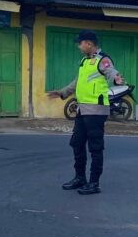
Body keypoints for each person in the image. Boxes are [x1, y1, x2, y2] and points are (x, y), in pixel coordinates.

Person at [47, 30, 125, 195]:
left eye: (80, 43)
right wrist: (62, 93)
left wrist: (117, 78)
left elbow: (111, 71)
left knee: (95, 147)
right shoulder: (84, 61)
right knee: (77, 143)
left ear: (88, 43)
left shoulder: (102, 59)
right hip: (82, 109)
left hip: (96, 111)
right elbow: (77, 82)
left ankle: (94, 182)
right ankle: (80, 177)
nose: (79, 46)